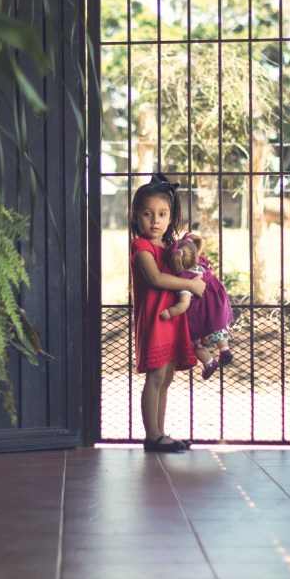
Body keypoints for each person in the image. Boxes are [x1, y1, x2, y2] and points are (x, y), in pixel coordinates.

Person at [130, 173, 206, 453]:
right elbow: (155, 279)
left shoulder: (168, 247)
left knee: (167, 377)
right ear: (136, 215)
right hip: (155, 319)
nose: (155, 220)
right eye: (148, 214)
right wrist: (190, 284)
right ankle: (152, 436)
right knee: (156, 377)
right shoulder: (141, 247)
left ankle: (160, 433)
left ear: (171, 216)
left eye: (162, 214)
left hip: (172, 319)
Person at [160, 233, 234, 380]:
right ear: (195, 255)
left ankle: (209, 362)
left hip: (200, 314)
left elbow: (183, 304)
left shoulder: (185, 280)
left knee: (193, 342)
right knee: (217, 327)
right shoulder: (202, 264)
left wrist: (169, 312)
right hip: (217, 305)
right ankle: (224, 349)